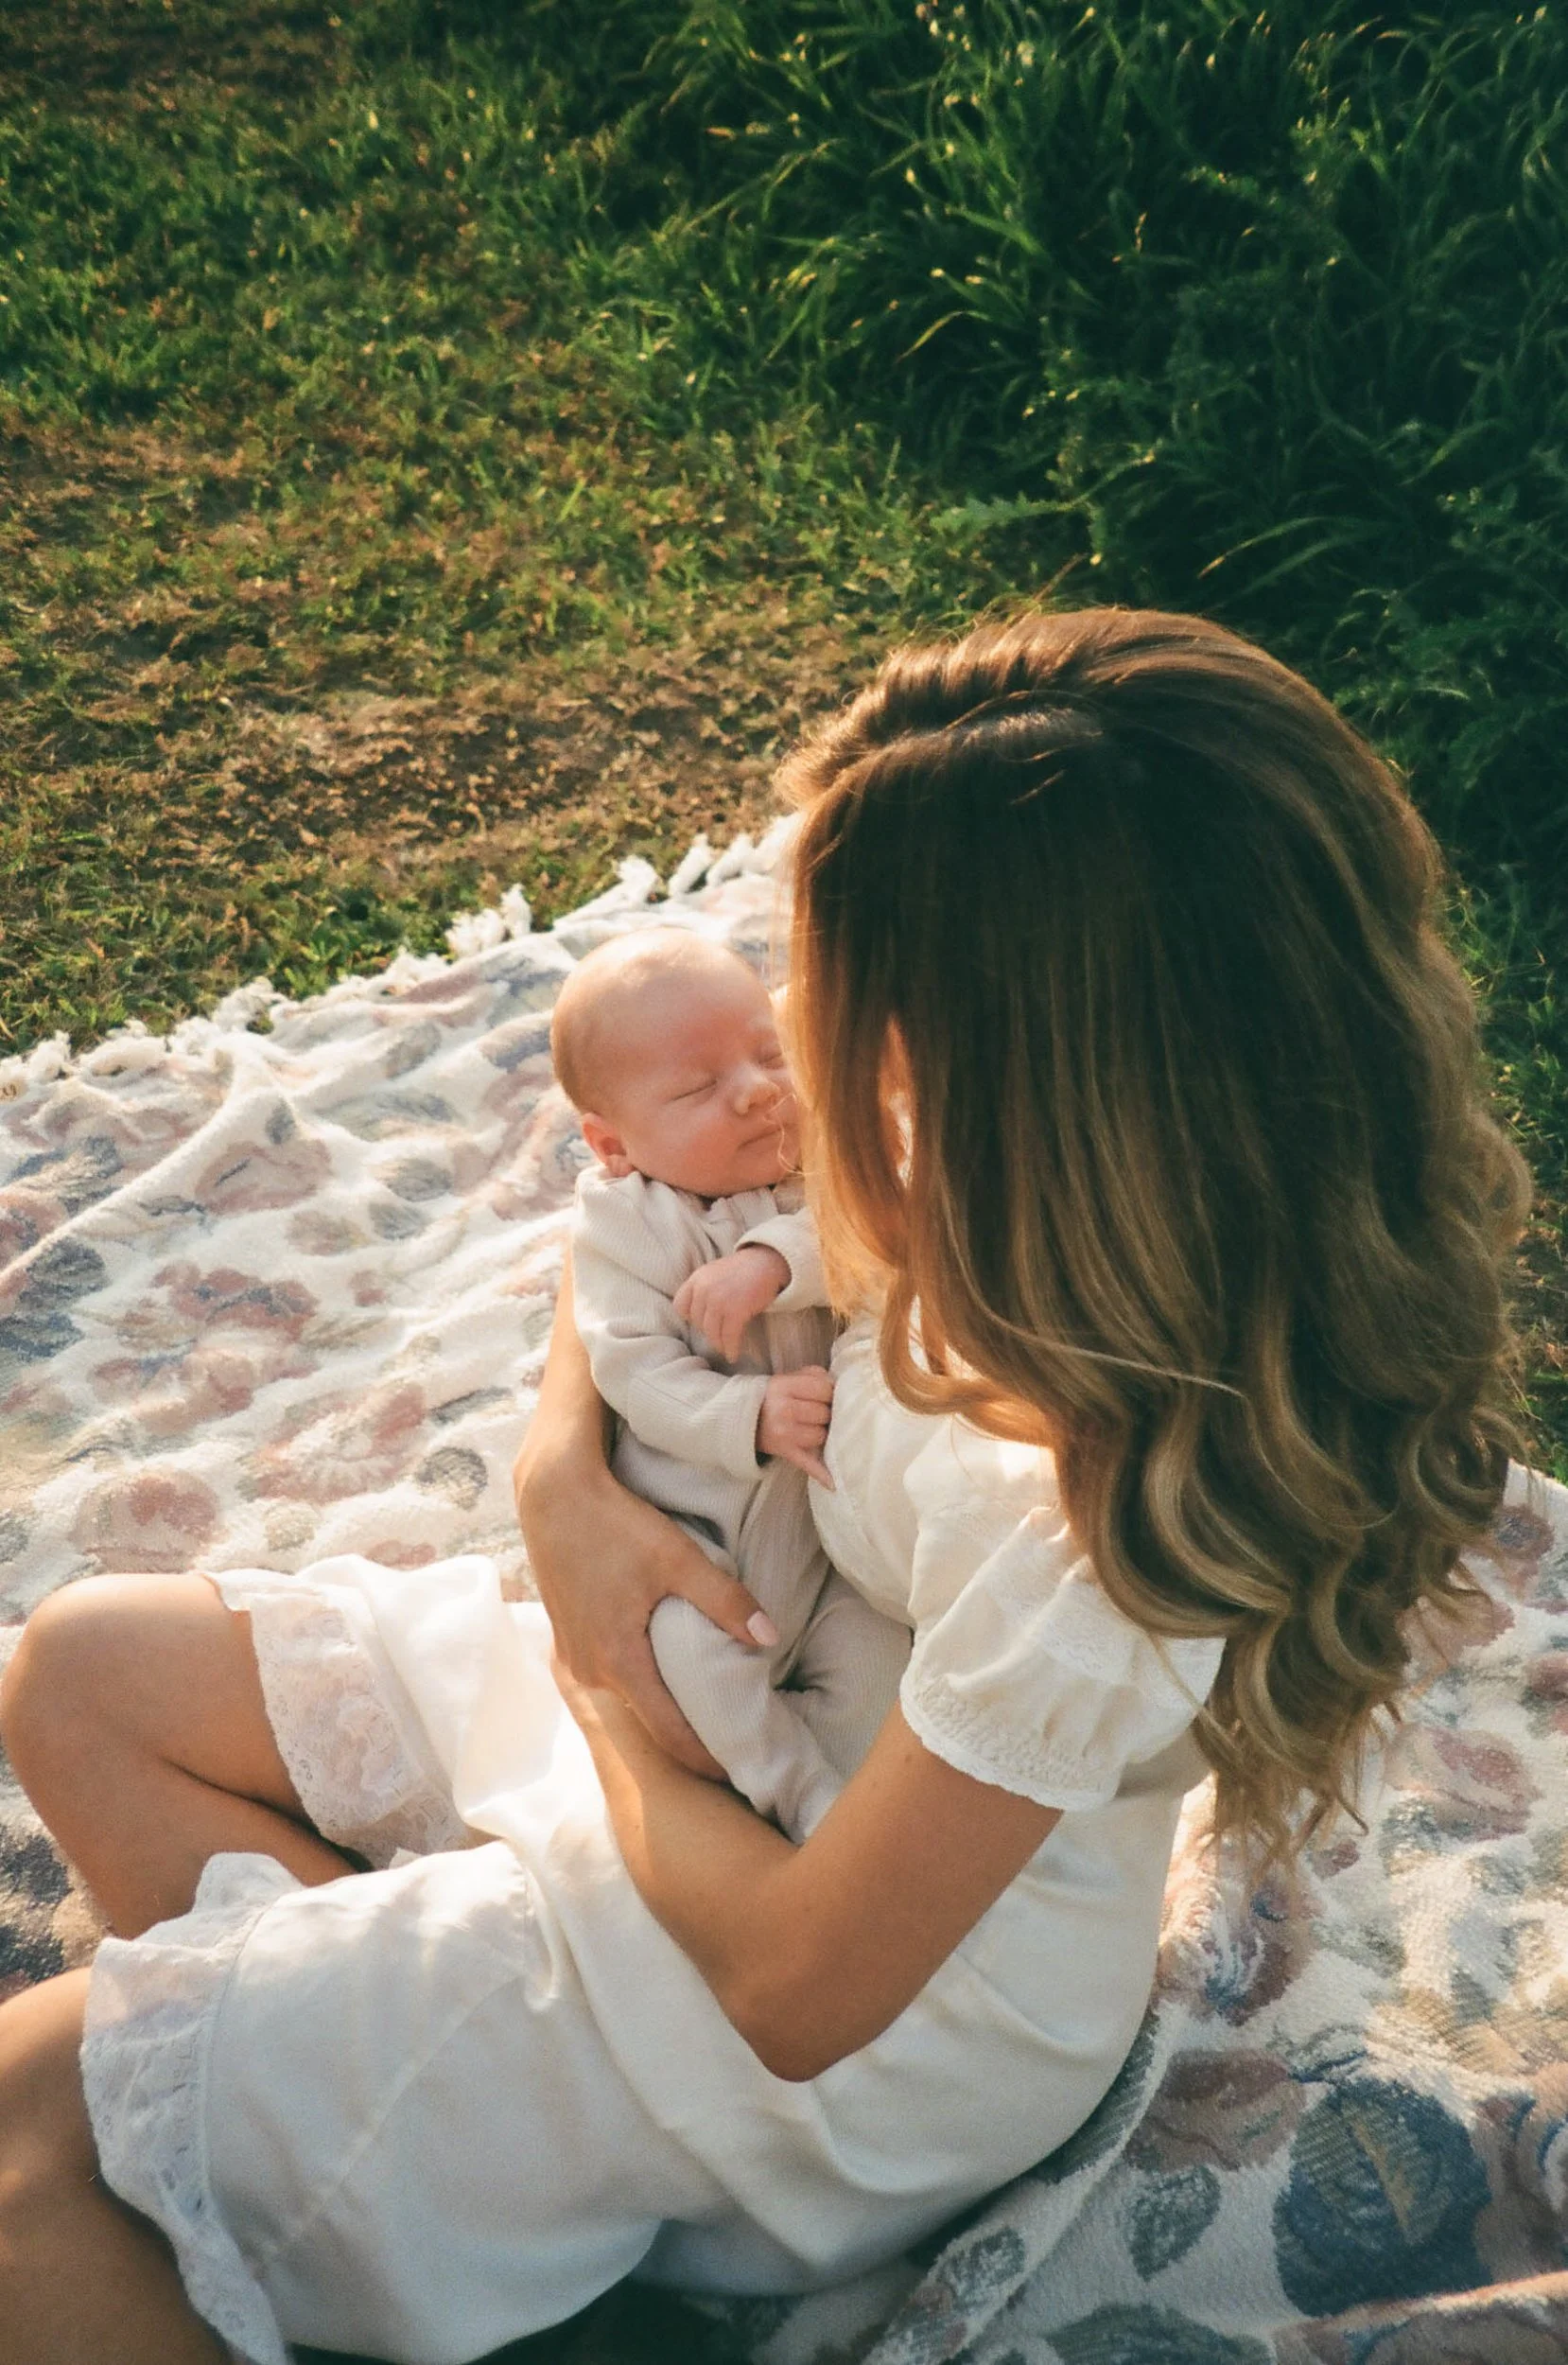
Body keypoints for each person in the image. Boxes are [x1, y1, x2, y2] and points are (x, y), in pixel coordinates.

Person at [0, 609, 1527, 2365]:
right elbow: (627, 1280)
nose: (783, 1036)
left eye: (837, 1002)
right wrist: (562, 1484)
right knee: (88, 1676)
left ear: (998, 1070)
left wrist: (601, 1698)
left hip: (861, 2009)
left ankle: (444, 2152)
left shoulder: (1092, 1538)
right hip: (744, 1703)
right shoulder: (969, 1192)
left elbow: (803, 1990)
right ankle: (445, 2176)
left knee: (38, 2121)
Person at [552, 929, 909, 1839]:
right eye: (698, 1088)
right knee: (692, 1654)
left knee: (878, 1667)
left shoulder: (813, 1173)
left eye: (767, 1054)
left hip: (824, 1559)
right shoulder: (623, 1228)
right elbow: (631, 1368)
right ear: (613, 1144)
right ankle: (791, 1796)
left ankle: (848, 1803)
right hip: (701, 1540)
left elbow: (870, 1238)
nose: (756, 1090)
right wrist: (742, 1414)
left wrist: (770, 1262)